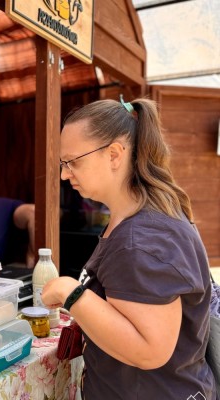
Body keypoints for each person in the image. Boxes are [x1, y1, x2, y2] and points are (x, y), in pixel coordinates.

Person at [41, 97, 216, 399]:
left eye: (73, 162)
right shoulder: (145, 217)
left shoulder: (142, 239)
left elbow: (150, 350)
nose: (64, 174)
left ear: (114, 154)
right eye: (62, 163)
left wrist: (70, 293)